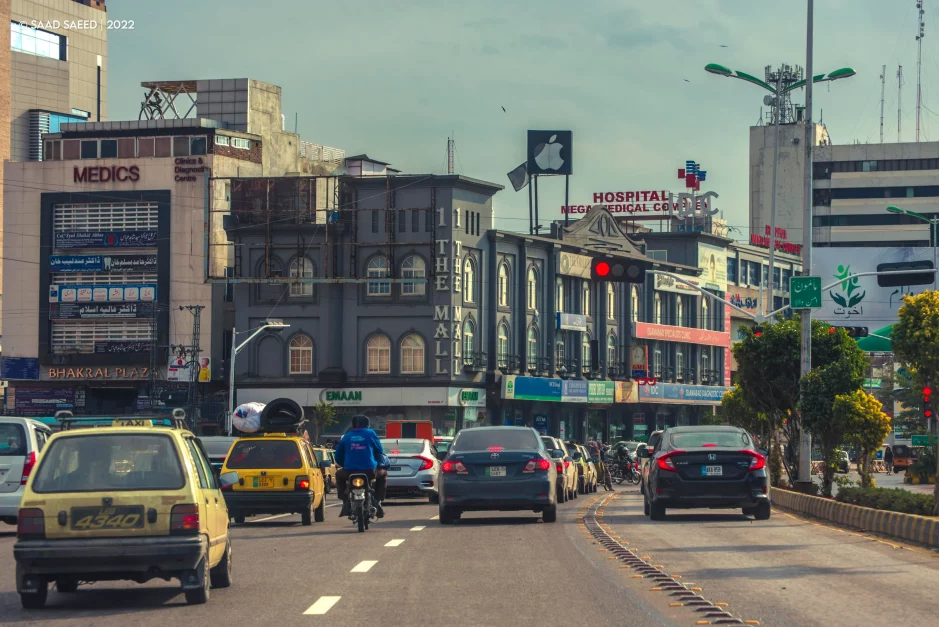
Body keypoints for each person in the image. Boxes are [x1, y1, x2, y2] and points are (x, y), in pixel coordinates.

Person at [334, 415, 387, 519]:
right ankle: (377, 500)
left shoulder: (347, 436)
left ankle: (345, 500)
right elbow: (380, 450)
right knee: (384, 474)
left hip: (349, 472)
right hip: (369, 471)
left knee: (338, 475)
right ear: (367, 425)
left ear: (354, 425)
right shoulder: (371, 433)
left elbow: (338, 456)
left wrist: (344, 465)